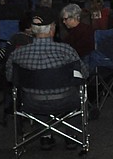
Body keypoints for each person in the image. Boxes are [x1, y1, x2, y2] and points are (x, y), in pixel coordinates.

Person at [5, 8, 89, 150]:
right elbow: (84, 74)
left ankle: (45, 136)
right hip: (66, 100)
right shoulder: (66, 50)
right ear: (52, 29)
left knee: (37, 91)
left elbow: (10, 77)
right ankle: (71, 136)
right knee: (77, 92)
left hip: (31, 103)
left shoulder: (18, 54)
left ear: (32, 29)